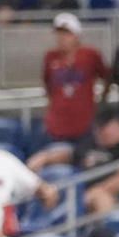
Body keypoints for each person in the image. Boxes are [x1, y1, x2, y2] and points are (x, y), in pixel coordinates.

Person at [42, 13, 109, 147]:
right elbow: (47, 85)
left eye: (67, 34)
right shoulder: (50, 57)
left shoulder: (90, 54)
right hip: (57, 124)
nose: (62, 38)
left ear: (76, 35)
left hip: (84, 123)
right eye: (59, 34)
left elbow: (107, 77)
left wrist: (101, 101)